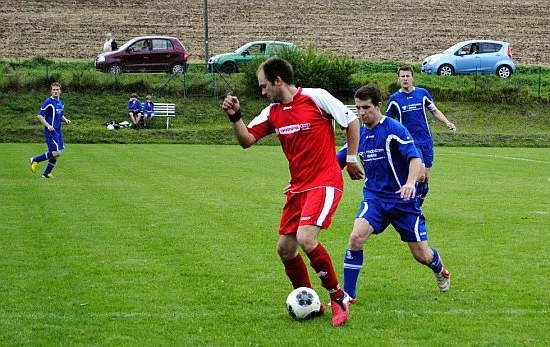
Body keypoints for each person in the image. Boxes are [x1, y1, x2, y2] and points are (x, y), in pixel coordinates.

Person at [222, 57, 364, 327]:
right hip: (298, 188)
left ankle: (338, 297)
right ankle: (310, 301)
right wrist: (235, 117)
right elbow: (247, 141)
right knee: (286, 250)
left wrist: (351, 158)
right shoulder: (272, 112)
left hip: (324, 181)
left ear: (278, 81)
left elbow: (351, 121)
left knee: (306, 239)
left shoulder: (316, 97)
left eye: (265, 86)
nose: (263, 92)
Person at [338, 84, 451, 304]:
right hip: (375, 199)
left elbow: (415, 158)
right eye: (358, 109)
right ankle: (348, 295)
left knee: (422, 255)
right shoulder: (358, 134)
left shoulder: (394, 129)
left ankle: (439, 267)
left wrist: (410, 183)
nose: (361, 113)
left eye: (366, 108)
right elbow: (336, 162)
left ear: (379, 105)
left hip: (403, 201)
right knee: (356, 236)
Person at [385, 66, 456, 206]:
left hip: (426, 139)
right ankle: (413, 207)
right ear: (398, 79)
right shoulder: (394, 99)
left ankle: (418, 203)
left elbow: (435, 111)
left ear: (413, 77)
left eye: (407, 76)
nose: (405, 79)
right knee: (420, 174)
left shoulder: (422, 93)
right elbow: (388, 121)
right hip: (410, 141)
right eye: (402, 76)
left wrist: (447, 122)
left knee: (426, 178)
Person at [29, 82, 71, 178]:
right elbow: (39, 116)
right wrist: (48, 126)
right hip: (51, 131)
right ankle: (35, 160)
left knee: (57, 153)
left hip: (58, 131)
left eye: (57, 90)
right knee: (56, 152)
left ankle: (47, 173)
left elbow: (60, 115)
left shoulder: (61, 103)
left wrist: (66, 120)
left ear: (60, 91)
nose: (55, 91)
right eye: (54, 90)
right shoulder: (48, 102)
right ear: (51, 91)